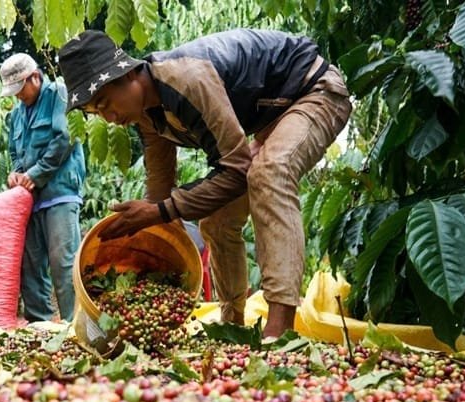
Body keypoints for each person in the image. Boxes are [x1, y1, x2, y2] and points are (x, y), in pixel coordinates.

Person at [58, 30, 352, 337]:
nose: (107, 117)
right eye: (96, 112)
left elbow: (236, 172)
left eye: (105, 103)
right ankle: (232, 323)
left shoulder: (187, 79)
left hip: (314, 91)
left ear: (128, 73)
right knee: (216, 220)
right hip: (271, 119)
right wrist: (152, 232)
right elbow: (159, 182)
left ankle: (279, 331)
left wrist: (163, 211)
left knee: (269, 173)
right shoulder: (146, 113)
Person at [0, 53, 86, 322]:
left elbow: (65, 138)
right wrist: (15, 174)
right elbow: (14, 152)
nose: (17, 96)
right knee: (30, 265)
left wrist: (36, 174)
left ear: (34, 77)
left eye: (20, 89)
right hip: (29, 200)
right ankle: (40, 327)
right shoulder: (16, 114)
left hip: (59, 195)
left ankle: (75, 325)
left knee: (63, 263)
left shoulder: (58, 94)